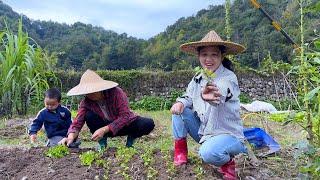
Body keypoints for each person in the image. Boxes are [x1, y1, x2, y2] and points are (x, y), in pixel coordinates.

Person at [170, 30, 247, 180]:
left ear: (221, 56)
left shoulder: (228, 77)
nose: (208, 59)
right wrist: (180, 102)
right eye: (204, 54)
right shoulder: (198, 77)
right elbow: (188, 96)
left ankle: (228, 164)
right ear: (198, 56)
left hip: (228, 135)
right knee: (179, 110)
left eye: (214, 54)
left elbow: (222, 91)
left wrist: (212, 95)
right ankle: (180, 153)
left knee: (208, 153)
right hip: (205, 132)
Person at [59, 69, 155, 150]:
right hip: (104, 128)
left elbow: (125, 116)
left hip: (124, 125)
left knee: (148, 123)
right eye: (87, 92)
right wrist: (70, 137)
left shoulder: (116, 93)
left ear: (100, 88)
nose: (89, 94)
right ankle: (102, 144)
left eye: (92, 91)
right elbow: (77, 122)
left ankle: (130, 143)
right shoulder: (86, 102)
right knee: (89, 116)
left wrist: (105, 129)